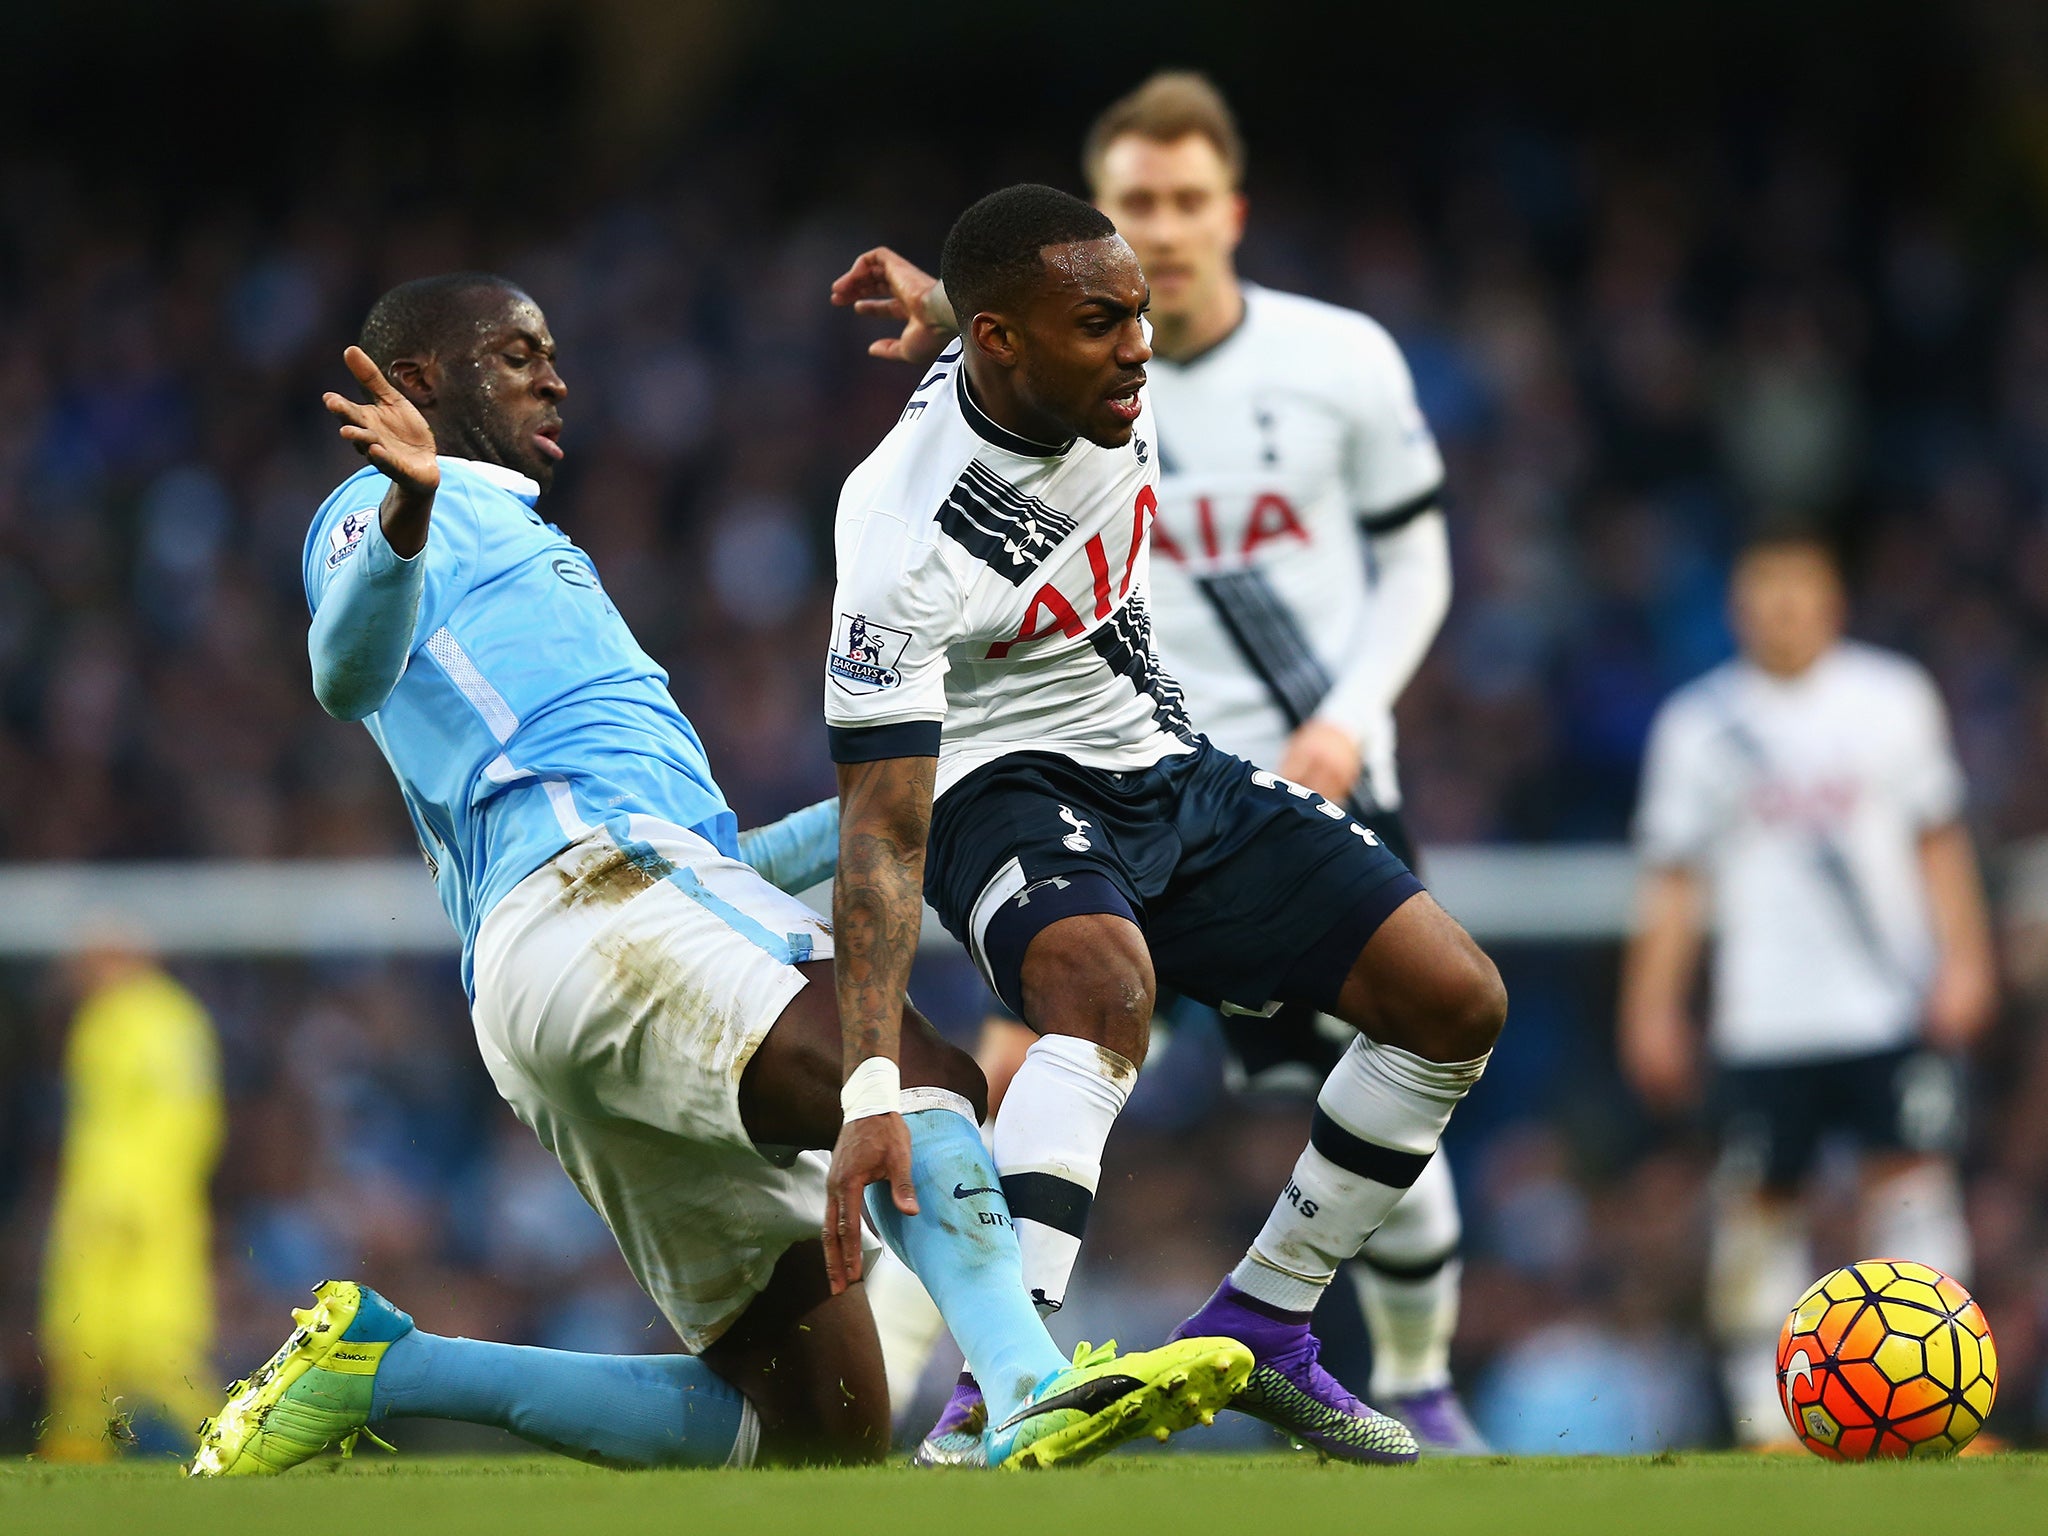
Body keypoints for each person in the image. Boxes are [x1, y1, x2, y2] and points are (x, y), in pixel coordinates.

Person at [188, 274, 1248, 1477]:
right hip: (592, 906)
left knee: (825, 1424)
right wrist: (403, 513)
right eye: (516, 352)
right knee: (913, 1071)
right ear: (421, 381)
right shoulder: (389, 509)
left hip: (599, 943)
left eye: (553, 352)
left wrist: (929, 783)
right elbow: (341, 674)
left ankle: (389, 1366)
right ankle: (1026, 1391)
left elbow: (718, 868)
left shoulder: (532, 565)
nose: (555, 376)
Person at [834, 73, 1487, 1457]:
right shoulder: (898, 536)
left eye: (1141, 312)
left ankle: (1265, 1325)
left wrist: (957, 302)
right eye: (1107, 325)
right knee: (1096, 989)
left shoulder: (1074, 362)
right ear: (1013, 344)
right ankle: (997, 1387)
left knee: (1452, 998)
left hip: (1165, 763)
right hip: (998, 791)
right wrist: (869, 1084)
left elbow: (1010, 328)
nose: (1145, 350)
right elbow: (884, 829)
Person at [1619, 533, 1996, 1447]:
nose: (1784, 606)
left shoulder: (1892, 698)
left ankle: (1931, 1407)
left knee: (1911, 1187)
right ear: (1737, 604)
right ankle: (1764, 1416)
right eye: (1765, 589)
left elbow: (1938, 839)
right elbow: (1673, 881)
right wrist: (1651, 1007)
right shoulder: (1698, 724)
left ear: (1832, 597)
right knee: (1758, 1207)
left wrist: (1968, 957)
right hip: (1764, 1017)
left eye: (1800, 586)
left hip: (1886, 1002)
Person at [38, 940, 223, 1461]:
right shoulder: (170, 1017)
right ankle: (80, 1449)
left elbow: (173, 1119)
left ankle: (221, 1441)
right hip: (144, 1204)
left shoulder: (129, 1019)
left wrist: (127, 1198)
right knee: (110, 1337)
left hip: (126, 1206)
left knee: (143, 1343)